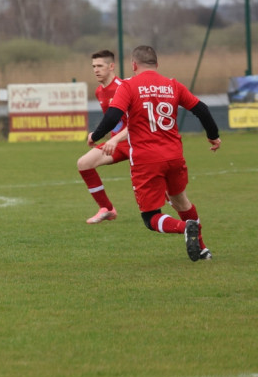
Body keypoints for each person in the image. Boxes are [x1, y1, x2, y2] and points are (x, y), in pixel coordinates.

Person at [88, 45, 220, 262]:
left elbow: (113, 116)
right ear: (157, 64)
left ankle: (185, 227)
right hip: (174, 156)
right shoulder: (172, 85)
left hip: (146, 159)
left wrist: (96, 136)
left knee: (150, 217)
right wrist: (213, 136)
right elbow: (202, 110)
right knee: (181, 202)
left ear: (133, 65)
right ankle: (203, 249)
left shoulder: (129, 85)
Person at [76, 50, 130, 223]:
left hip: (138, 142)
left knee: (162, 187)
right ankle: (107, 209)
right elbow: (112, 121)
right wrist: (98, 134)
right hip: (117, 143)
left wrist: (113, 139)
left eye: (100, 66)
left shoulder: (124, 88)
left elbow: (137, 123)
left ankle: (186, 219)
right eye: (93, 66)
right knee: (84, 163)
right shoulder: (99, 91)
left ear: (111, 66)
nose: (96, 70)